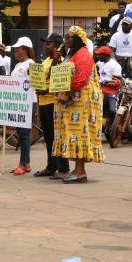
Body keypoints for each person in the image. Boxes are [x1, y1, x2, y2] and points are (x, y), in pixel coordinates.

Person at [53, 26, 105, 183]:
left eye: (68, 37)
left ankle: (80, 171)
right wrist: (59, 60)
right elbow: (68, 72)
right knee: (73, 134)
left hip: (81, 102)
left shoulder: (83, 54)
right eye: (65, 37)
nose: (65, 40)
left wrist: (65, 92)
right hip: (73, 101)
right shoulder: (72, 54)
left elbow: (80, 79)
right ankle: (77, 169)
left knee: (80, 134)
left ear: (76, 40)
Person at [34, 33, 70, 180]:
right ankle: (51, 166)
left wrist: (45, 90)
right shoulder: (45, 61)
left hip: (53, 103)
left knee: (57, 137)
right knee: (48, 137)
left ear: (56, 46)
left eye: (48, 44)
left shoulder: (60, 61)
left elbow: (61, 83)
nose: (45, 46)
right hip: (43, 102)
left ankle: (63, 167)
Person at [9, 37, 36, 175]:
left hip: (28, 101)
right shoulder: (17, 65)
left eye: (18, 50)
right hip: (18, 102)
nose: (15, 52)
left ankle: (23, 164)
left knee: (24, 134)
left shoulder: (30, 64)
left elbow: (34, 83)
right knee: (21, 133)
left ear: (25, 50)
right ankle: (27, 163)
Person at [95, 46, 122, 126]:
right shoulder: (99, 63)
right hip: (100, 90)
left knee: (112, 110)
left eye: (99, 54)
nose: (97, 56)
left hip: (111, 91)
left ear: (105, 55)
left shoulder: (115, 65)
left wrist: (106, 83)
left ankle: (114, 126)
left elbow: (118, 83)